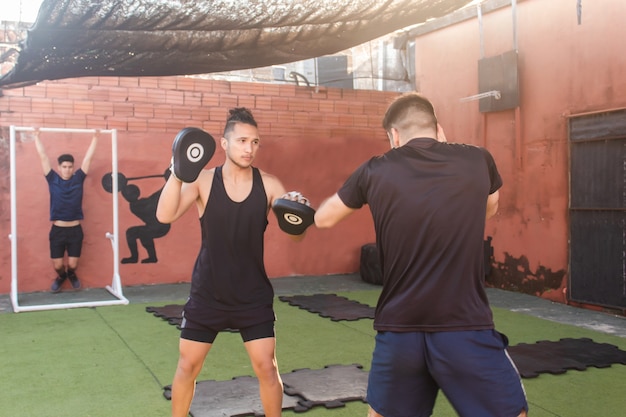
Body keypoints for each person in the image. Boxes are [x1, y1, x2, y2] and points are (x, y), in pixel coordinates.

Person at [314, 92, 528, 417]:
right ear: (438, 128)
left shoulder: (374, 169)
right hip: (463, 327)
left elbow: (324, 219)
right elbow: (492, 205)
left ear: (394, 136)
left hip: (400, 331)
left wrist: (300, 211)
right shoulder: (477, 159)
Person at [156, 108, 307, 417]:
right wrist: (177, 173)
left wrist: (298, 216)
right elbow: (164, 216)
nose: (249, 148)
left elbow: (295, 237)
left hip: (252, 294)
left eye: (255, 142)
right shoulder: (203, 180)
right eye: (241, 141)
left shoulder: (270, 184)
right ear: (224, 144)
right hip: (208, 292)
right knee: (187, 365)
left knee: (267, 366)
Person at [34, 130, 99, 293]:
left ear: (73, 168)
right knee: (57, 265)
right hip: (58, 230)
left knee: (72, 264)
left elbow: (88, 159)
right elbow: (43, 156)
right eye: (64, 167)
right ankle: (62, 276)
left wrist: (95, 138)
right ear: (59, 167)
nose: (67, 170)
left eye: (70, 167)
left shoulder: (78, 178)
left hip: (75, 230)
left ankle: (71, 274)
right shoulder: (52, 179)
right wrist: (36, 136)